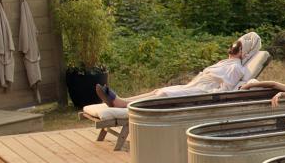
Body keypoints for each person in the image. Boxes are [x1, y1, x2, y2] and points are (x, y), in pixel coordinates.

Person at [95, 31, 262, 108]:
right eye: (234, 45)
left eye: (236, 47)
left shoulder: (236, 68)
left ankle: (120, 103)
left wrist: (207, 98)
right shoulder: (225, 62)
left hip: (202, 92)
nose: (232, 48)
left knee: (163, 95)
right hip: (194, 86)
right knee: (158, 90)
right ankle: (121, 101)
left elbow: (224, 92)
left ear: (244, 52)